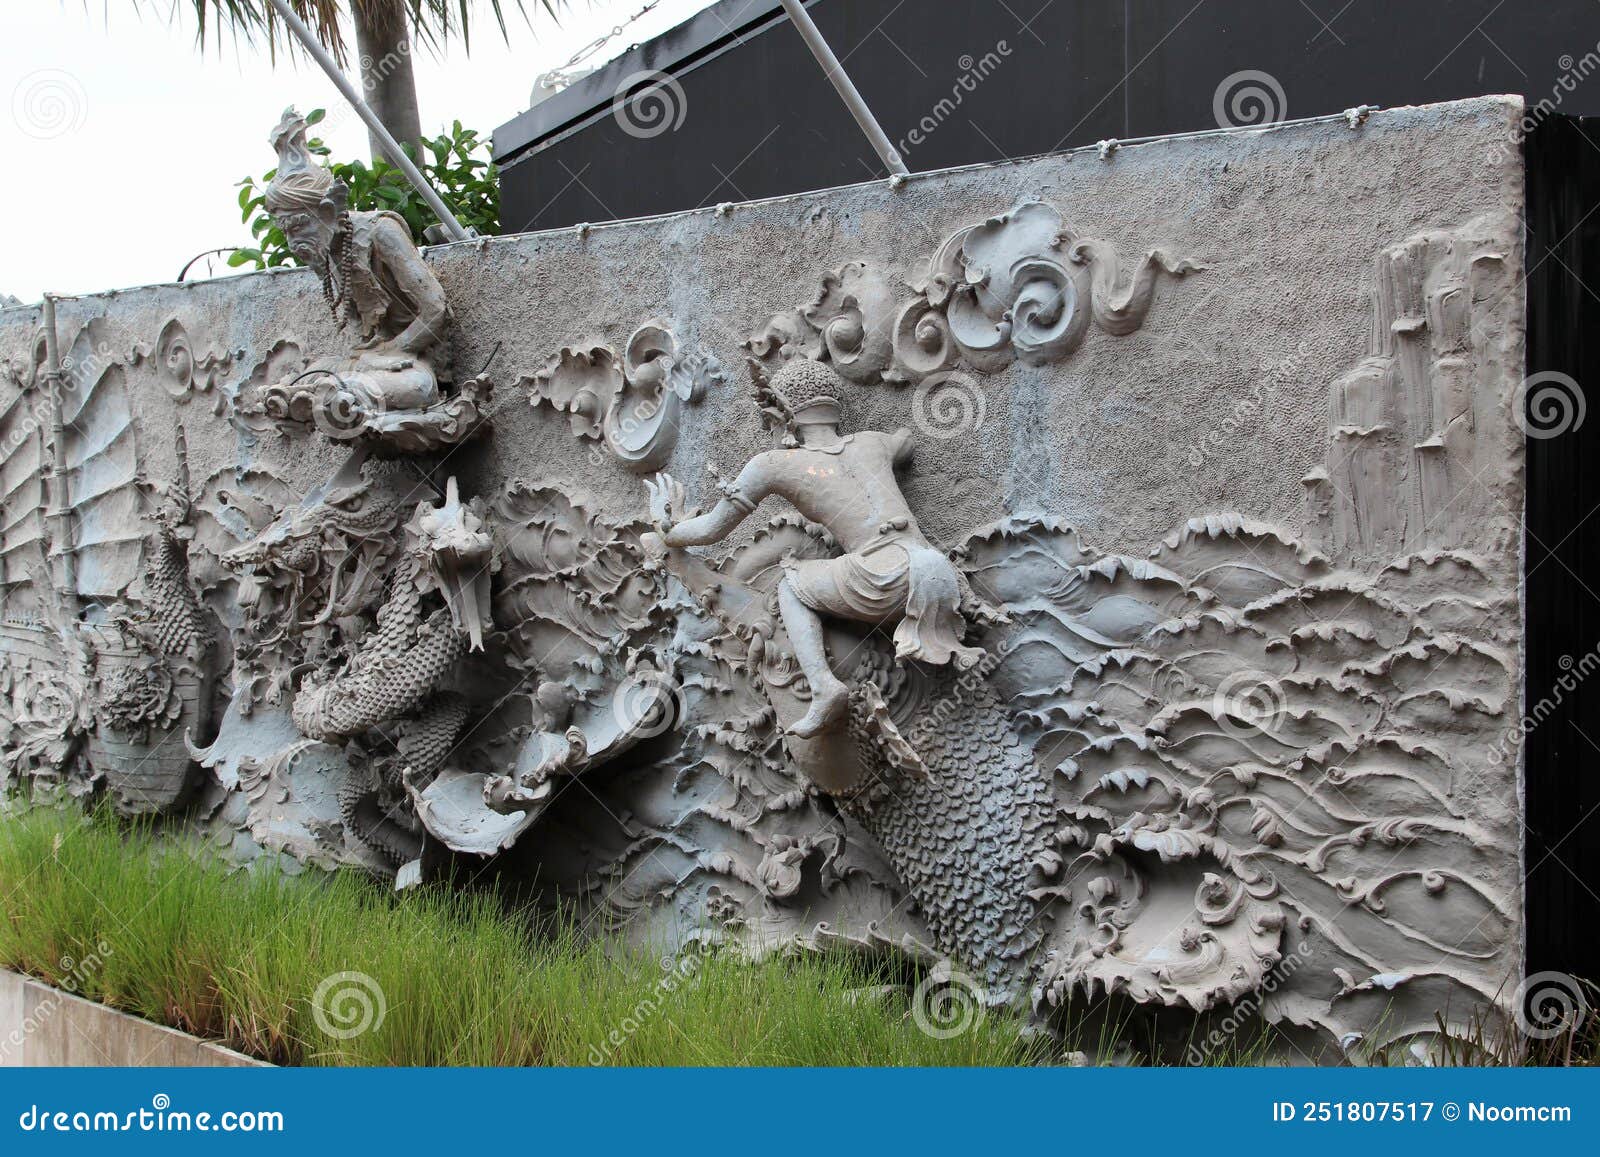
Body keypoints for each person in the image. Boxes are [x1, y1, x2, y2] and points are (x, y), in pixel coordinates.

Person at [649, 357, 984, 738]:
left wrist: (667, 528)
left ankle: (824, 687)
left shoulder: (777, 464)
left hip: (886, 575)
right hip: (934, 567)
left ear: (780, 414)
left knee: (790, 585)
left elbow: (711, 530)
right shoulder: (873, 443)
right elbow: (904, 443)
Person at [259, 108, 449, 429]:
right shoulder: (327, 250)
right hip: (370, 362)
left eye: (299, 226)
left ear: (329, 210)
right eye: (286, 231)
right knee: (307, 377)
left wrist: (390, 351)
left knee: (405, 387)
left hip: (410, 364)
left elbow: (436, 308)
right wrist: (365, 360)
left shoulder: (380, 232)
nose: (294, 241)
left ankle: (332, 395)